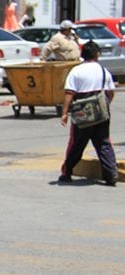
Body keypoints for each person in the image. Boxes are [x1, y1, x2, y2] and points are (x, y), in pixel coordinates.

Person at [59, 41, 118, 186]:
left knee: (76, 144)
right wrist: (105, 106)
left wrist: (64, 113)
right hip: (100, 113)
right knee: (104, 143)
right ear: (97, 54)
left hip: (81, 114)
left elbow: (69, 93)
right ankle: (110, 174)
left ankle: (67, 173)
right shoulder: (103, 71)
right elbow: (110, 93)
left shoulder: (76, 71)